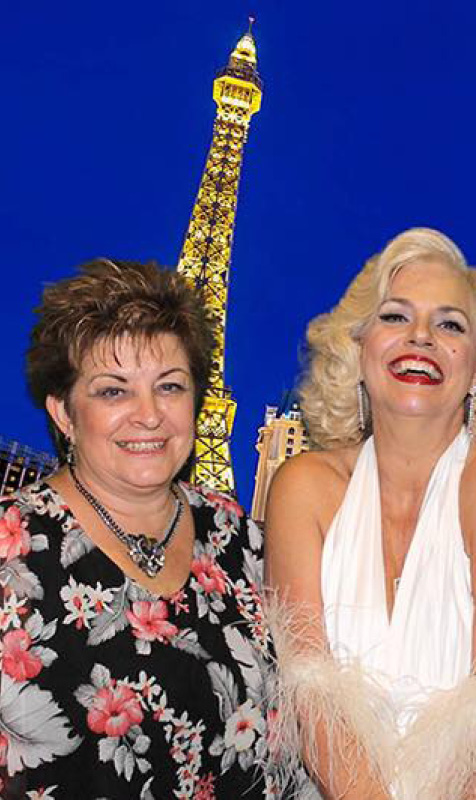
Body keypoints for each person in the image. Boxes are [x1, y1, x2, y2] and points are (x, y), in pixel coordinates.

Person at [265, 228, 476, 800]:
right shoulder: (302, 488)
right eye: (395, 317)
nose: (420, 337)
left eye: (450, 324)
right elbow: (312, 704)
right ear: (357, 349)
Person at [0, 259, 282, 799]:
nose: (149, 414)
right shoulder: (12, 547)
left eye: (170, 386)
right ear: (63, 412)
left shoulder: (244, 546)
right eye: (113, 391)